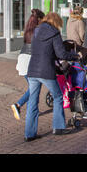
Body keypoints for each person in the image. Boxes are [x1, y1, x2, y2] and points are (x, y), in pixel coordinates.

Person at [24, 12, 79, 141]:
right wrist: (75, 56)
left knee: (32, 101)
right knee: (58, 96)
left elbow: (40, 50)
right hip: (46, 71)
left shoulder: (36, 31)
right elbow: (61, 54)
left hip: (32, 70)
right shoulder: (54, 33)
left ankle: (29, 134)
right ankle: (58, 127)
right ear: (56, 22)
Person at [11, 9, 45, 121]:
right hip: (30, 62)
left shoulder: (28, 30)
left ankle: (32, 109)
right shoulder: (39, 31)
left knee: (33, 87)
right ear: (39, 20)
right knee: (34, 88)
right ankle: (18, 105)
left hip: (23, 59)